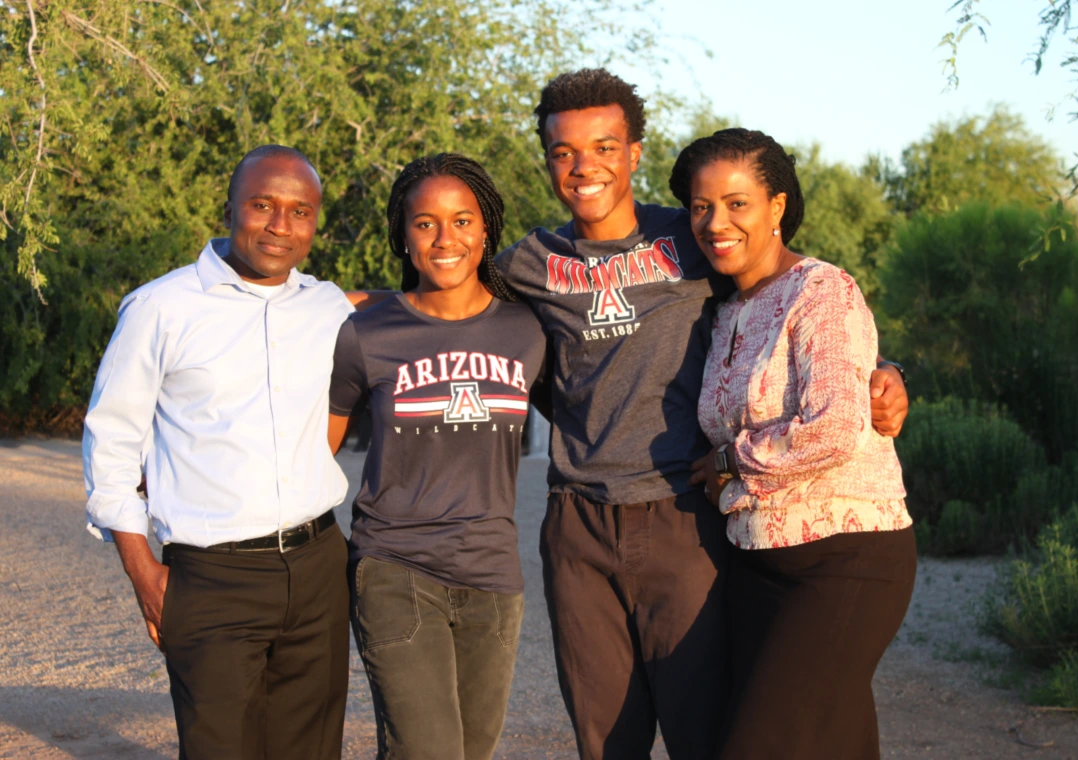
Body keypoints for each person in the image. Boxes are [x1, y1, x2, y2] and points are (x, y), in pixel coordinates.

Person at [489, 69, 911, 759]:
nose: (583, 166)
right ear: (546, 160)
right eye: (563, 152)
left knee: (712, 737)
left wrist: (888, 371)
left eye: (603, 147)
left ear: (634, 154)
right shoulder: (529, 263)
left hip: (684, 518)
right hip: (580, 523)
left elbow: (808, 307)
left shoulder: (693, 242)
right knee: (607, 742)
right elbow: (449, 306)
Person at [83, 145, 353, 760]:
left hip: (319, 568)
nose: (280, 226)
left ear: (315, 223)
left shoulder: (327, 306)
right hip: (212, 578)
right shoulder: (161, 308)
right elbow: (112, 441)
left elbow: (401, 317)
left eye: (300, 211)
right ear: (230, 207)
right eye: (263, 205)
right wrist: (141, 570)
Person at [672, 128, 915, 759]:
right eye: (701, 207)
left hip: (845, 561)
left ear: (777, 207)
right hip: (757, 564)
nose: (715, 222)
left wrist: (730, 459)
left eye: (736, 203)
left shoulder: (822, 291)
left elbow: (834, 426)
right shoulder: (723, 310)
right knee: (834, 743)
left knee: (759, 745)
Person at [327, 154, 547, 760]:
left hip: (494, 577)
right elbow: (314, 450)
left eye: (462, 221)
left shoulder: (528, 330)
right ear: (402, 233)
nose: (445, 238)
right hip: (395, 567)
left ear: (486, 230)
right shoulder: (365, 335)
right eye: (425, 223)